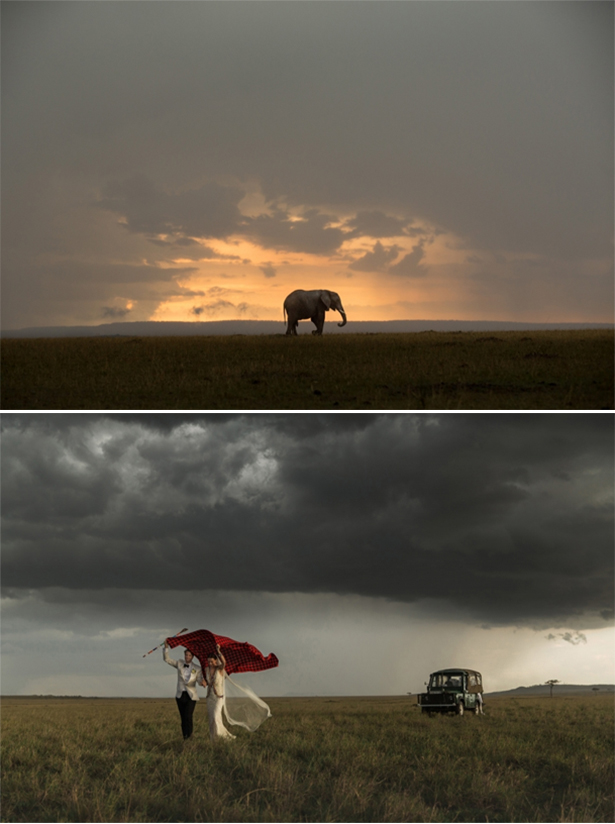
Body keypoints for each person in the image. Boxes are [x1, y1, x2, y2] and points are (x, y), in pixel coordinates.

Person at [163, 640, 204, 740]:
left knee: (188, 716)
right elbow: (167, 659)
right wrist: (166, 648)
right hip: (180, 695)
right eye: (186, 655)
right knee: (183, 718)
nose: (187, 657)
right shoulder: (180, 663)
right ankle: (185, 737)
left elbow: (199, 679)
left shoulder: (197, 668)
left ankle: (190, 736)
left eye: (189, 655)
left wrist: (201, 682)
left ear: (192, 656)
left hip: (191, 696)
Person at [203, 643, 236, 741]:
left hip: (219, 697)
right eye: (208, 662)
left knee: (216, 715)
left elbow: (224, 663)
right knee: (211, 719)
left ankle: (222, 736)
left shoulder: (220, 669)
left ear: (215, 661)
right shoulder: (206, 670)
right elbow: (205, 680)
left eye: (212, 661)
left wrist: (218, 652)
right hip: (209, 697)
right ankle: (214, 738)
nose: (210, 663)